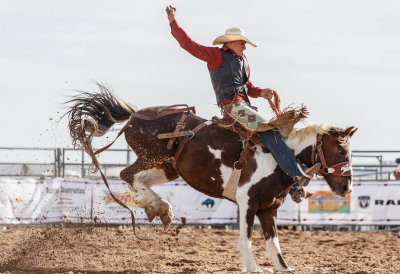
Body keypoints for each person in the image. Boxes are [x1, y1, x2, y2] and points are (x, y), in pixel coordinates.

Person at [166, 5, 320, 203]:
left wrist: (261, 92)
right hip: (233, 108)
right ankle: (297, 173)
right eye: (242, 43)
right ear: (230, 43)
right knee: (271, 132)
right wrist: (173, 22)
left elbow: (248, 87)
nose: (245, 47)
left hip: (245, 107)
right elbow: (188, 45)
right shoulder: (215, 56)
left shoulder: (244, 61)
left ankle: (293, 185)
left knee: (274, 137)